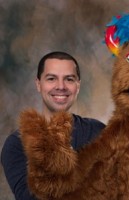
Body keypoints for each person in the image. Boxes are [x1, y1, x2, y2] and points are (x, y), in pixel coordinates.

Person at [1, 51, 106, 200]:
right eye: (51, 79)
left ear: (78, 85)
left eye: (69, 79)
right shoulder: (16, 144)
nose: (61, 86)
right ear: (39, 84)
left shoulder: (97, 131)